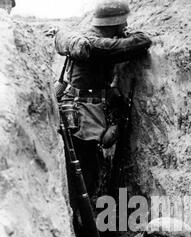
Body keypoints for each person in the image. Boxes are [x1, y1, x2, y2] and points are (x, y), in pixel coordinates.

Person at [55, 0, 152, 224]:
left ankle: (86, 220)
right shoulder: (96, 45)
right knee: (86, 171)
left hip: (90, 111)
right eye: (123, 20)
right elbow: (140, 42)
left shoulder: (91, 39)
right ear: (115, 21)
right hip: (84, 114)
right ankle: (85, 225)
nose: (126, 24)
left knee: (88, 169)